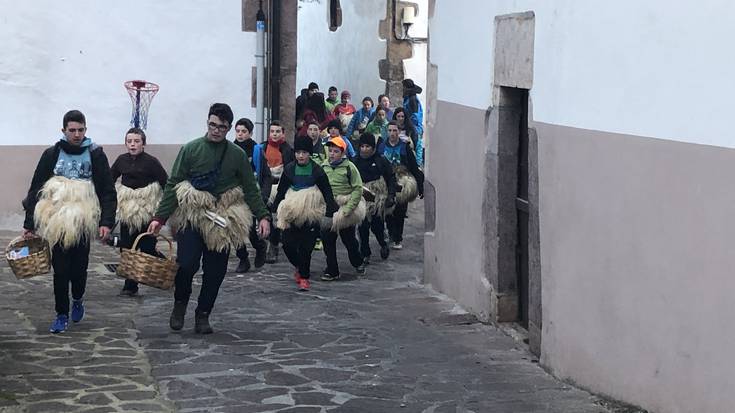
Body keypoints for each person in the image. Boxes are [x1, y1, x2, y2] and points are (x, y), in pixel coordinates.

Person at [147, 103, 271, 334]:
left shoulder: (237, 155)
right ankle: (180, 304)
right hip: (193, 216)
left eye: (221, 127)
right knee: (187, 264)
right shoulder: (191, 149)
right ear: (207, 123)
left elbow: (250, 188)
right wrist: (160, 218)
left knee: (215, 271)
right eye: (212, 125)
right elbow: (174, 183)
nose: (216, 130)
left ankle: (203, 314)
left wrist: (263, 216)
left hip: (222, 220)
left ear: (229, 128)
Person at [22, 110, 117, 333]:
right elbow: (36, 188)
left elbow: (107, 190)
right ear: (63, 130)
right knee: (61, 270)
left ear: (86, 129)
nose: (76, 134)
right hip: (57, 220)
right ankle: (61, 314)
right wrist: (30, 223)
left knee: (79, 268)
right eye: (72, 130)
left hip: (83, 219)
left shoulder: (96, 154)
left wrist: (106, 222)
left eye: (80, 130)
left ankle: (78, 298)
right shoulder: (51, 154)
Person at [271, 136, 339, 291]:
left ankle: (304, 277)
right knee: (288, 244)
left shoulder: (317, 171)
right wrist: (274, 212)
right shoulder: (289, 169)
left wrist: (329, 216)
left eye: (304, 152)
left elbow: (328, 194)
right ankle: (299, 266)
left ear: (310, 154)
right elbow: (281, 192)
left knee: (306, 248)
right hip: (292, 212)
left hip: (311, 213)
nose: (301, 156)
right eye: (298, 152)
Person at [110, 127, 168, 296]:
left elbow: (165, 182)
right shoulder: (121, 160)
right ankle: (130, 284)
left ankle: (166, 267)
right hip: (129, 211)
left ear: (144, 143)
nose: (133, 145)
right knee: (127, 247)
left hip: (146, 210)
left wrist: (162, 211)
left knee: (148, 247)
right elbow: (110, 178)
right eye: (129, 141)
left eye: (136, 141)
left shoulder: (151, 162)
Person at [320, 137, 366, 281]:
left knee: (349, 240)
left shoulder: (349, 167)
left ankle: (357, 261)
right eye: (330, 151)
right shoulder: (323, 166)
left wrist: (349, 209)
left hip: (345, 206)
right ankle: (332, 270)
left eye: (336, 151)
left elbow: (358, 189)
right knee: (327, 240)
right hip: (329, 207)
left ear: (342, 152)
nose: (332, 154)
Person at [232, 118, 271, 273]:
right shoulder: (230, 148)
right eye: (238, 131)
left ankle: (259, 246)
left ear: (250, 133)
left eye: (244, 131)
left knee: (249, 228)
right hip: (233, 194)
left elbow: (266, 174)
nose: (240, 134)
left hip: (251, 193)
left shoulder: (256, 150)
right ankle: (243, 258)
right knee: (234, 228)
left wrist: (264, 194)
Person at [253, 121, 294, 264]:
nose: (275, 134)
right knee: (265, 215)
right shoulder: (261, 147)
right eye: (272, 131)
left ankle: (274, 245)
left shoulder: (287, 150)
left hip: (280, 187)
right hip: (265, 186)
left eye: (277, 132)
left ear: (282, 133)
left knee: (277, 217)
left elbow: (289, 170)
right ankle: (266, 242)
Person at [378, 121, 424, 250]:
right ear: (387, 132)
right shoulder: (381, 147)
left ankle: (398, 237)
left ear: (399, 132)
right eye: (390, 130)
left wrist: (420, 186)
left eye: (395, 130)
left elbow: (414, 167)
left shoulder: (405, 147)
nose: (392, 133)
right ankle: (391, 233)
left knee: (400, 211)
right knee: (388, 210)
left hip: (403, 181)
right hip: (386, 182)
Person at [353, 133, 396, 263]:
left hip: (377, 198)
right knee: (362, 226)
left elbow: (391, 178)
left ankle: (383, 243)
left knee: (377, 226)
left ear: (373, 148)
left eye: (368, 147)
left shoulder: (381, 161)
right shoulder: (354, 161)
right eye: (362, 146)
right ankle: (365, 252)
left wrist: (391, 195)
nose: (364, 149)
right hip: (361, 197)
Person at [402, 79, 425, 166]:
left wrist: (410, 125)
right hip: (410, 125)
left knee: (417, 146)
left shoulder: (413, 99)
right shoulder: (408, 97)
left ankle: (418, 165)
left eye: (403, 87)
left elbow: (415, 116)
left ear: (406, 87)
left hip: (415, 127)